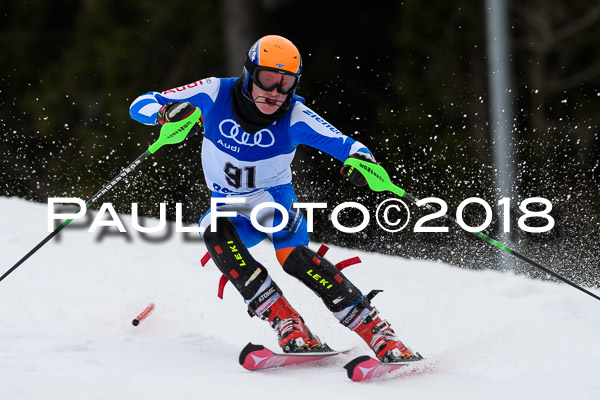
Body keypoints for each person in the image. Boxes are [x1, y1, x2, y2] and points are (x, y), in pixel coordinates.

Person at [129, 35, 420, 362]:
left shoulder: (295, 115)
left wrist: (363, 165)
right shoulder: (215, 91)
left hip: (273, 202)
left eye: (286, 84)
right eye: (268, 80)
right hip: (229, 205)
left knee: (294, 259)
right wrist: (165, 114)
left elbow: (350, 147)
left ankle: (379, 332)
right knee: (213, 228)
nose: (275, 93)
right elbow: (141, 105)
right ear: (249, 73)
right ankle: (287, 321)